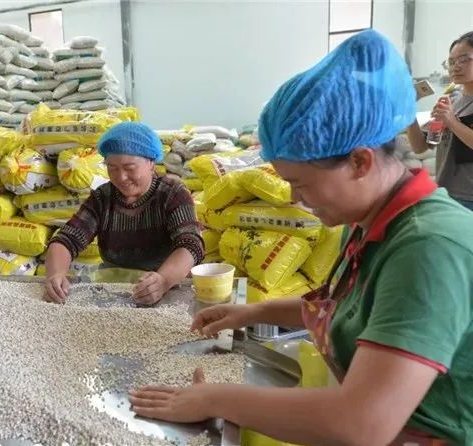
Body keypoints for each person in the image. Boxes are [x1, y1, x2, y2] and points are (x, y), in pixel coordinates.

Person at [129, 30, 473, 445]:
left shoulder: (428, 247)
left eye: (301, 183)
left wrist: (216, 398)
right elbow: (346, 308)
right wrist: (252, 313)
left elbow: (361, 424)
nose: (294, 198)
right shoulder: (371, 220)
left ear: (360, 161)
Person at [43, 122, 204, 305]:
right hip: (114, 289)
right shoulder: (103, 197)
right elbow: (67, 239)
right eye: (112, 168)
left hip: (168, 288)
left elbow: (190, 244)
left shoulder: (172, 193)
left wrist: (163, 281)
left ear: (151, 162)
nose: (121, 177)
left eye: (129, 168)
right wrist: (55, 276)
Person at [407, 31, 473, 210]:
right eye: (451, 62)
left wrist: (451, 120)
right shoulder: (452, 100)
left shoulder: (449, 110)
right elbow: (421, 146)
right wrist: (409, 111)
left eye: (463, 60)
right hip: (446, 192)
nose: (455, 67)